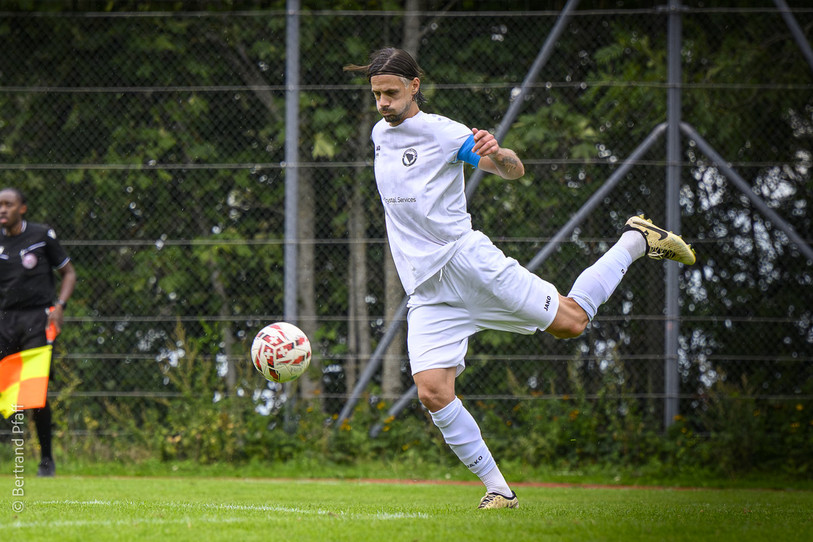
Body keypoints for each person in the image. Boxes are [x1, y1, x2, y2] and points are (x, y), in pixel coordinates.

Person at [345, 48, 695, 509]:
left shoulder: (445, 132)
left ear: (414, 87)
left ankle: (634, 240)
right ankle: (499, 490)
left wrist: (498, 152)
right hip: (427, 291)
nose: (383, 103)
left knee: (572, 322)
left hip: (469, 264)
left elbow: (511, 169)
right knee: (432, 391)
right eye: (376, 95)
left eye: (391, 93)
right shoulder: (379, 133)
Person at [0, 187, 76, 477]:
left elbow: (69, 272)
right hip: (4, 321)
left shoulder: (41, 235)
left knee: (35, 393)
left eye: (8, 204)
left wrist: (60, 305)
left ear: (22, 208)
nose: (2, 210)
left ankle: (46, 460)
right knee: (6, 390)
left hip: (38, 320)